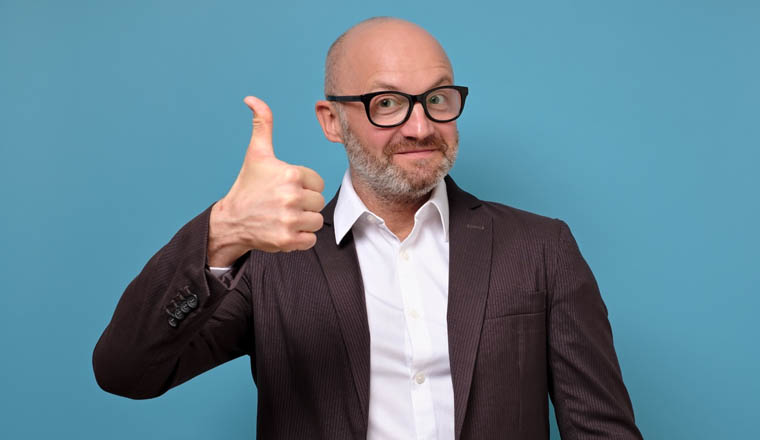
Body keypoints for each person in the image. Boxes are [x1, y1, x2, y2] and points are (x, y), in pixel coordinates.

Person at [93, 17, 642, 440]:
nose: (421, 126)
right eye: (387, 104)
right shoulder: (271, 260)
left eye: (438, 99)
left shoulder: (541, 248)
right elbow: (127, 372)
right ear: (332, 121)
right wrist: (222, 232)